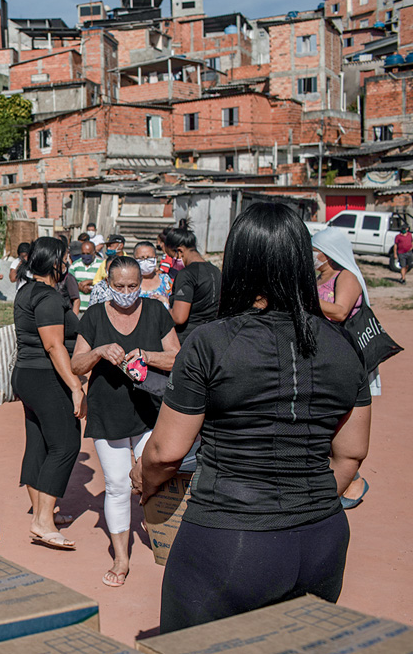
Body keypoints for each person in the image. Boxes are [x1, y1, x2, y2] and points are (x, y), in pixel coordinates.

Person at [133, 202, 371, 633]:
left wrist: (147, 486)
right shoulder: (344, 346)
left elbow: (165, 453)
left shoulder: (210, 343)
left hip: (229, 542)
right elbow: (351, 457)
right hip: (322, 541)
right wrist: (304, 499)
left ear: (238, 262)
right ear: (303, 260)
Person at [70, 256, 179, 588]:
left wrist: (147, 356)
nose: (128, 293)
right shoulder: (93, 316)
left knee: (155, 476)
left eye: (134, 286)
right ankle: (121, 557)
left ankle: (161, 532)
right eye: (120, 286)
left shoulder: (157, 312)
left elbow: (177, 357)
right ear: (108, 285)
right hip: (108, 413)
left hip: (149, 411)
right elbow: (76, 366)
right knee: (117, 485)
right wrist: (100, 351)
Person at [12, 237, 85, 550]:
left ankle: (45, 512)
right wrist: (75, 386)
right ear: (54, 262)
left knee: (39, 442)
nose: (68, 262)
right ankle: (42, 521)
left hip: (27, 376)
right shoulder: (49, 298)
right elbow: (54, 345)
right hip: (46, 377)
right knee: (67, 443)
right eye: (65, 257)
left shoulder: (26, 291)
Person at [312, 227, 379, 509]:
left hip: (341, 358)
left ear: (328, 255)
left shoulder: (346, 277)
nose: (311, 256)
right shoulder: (318, 277)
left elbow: (339, 311)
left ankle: (353, 481)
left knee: (340, 426)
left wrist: (301, 298)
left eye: (315, 251)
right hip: (319, 356)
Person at [164, 227, 220, 343]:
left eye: (172, 257)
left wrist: (162, 309)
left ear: (179, 251)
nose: (173, 261)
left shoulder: (186, 274)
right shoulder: (215, 271)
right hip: (212, 337)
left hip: (188, 340)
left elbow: (179, 317)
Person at [134, 241, 172, 308]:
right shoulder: (130, 282)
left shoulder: (165, 280)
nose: (145, 261)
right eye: (141, 258)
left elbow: (174, 304)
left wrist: (166, 302)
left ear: (156, 258)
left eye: (149, 257)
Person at [68, 240, 100, 315]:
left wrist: (91, 282)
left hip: (95, 308)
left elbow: (105, 282)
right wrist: (80, 287)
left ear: (94, 252)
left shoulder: (101, 265)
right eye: (83, 253)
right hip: (79, 308)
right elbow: (69, 283)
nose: (85, 256)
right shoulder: (75, 266)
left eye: (88, 254)